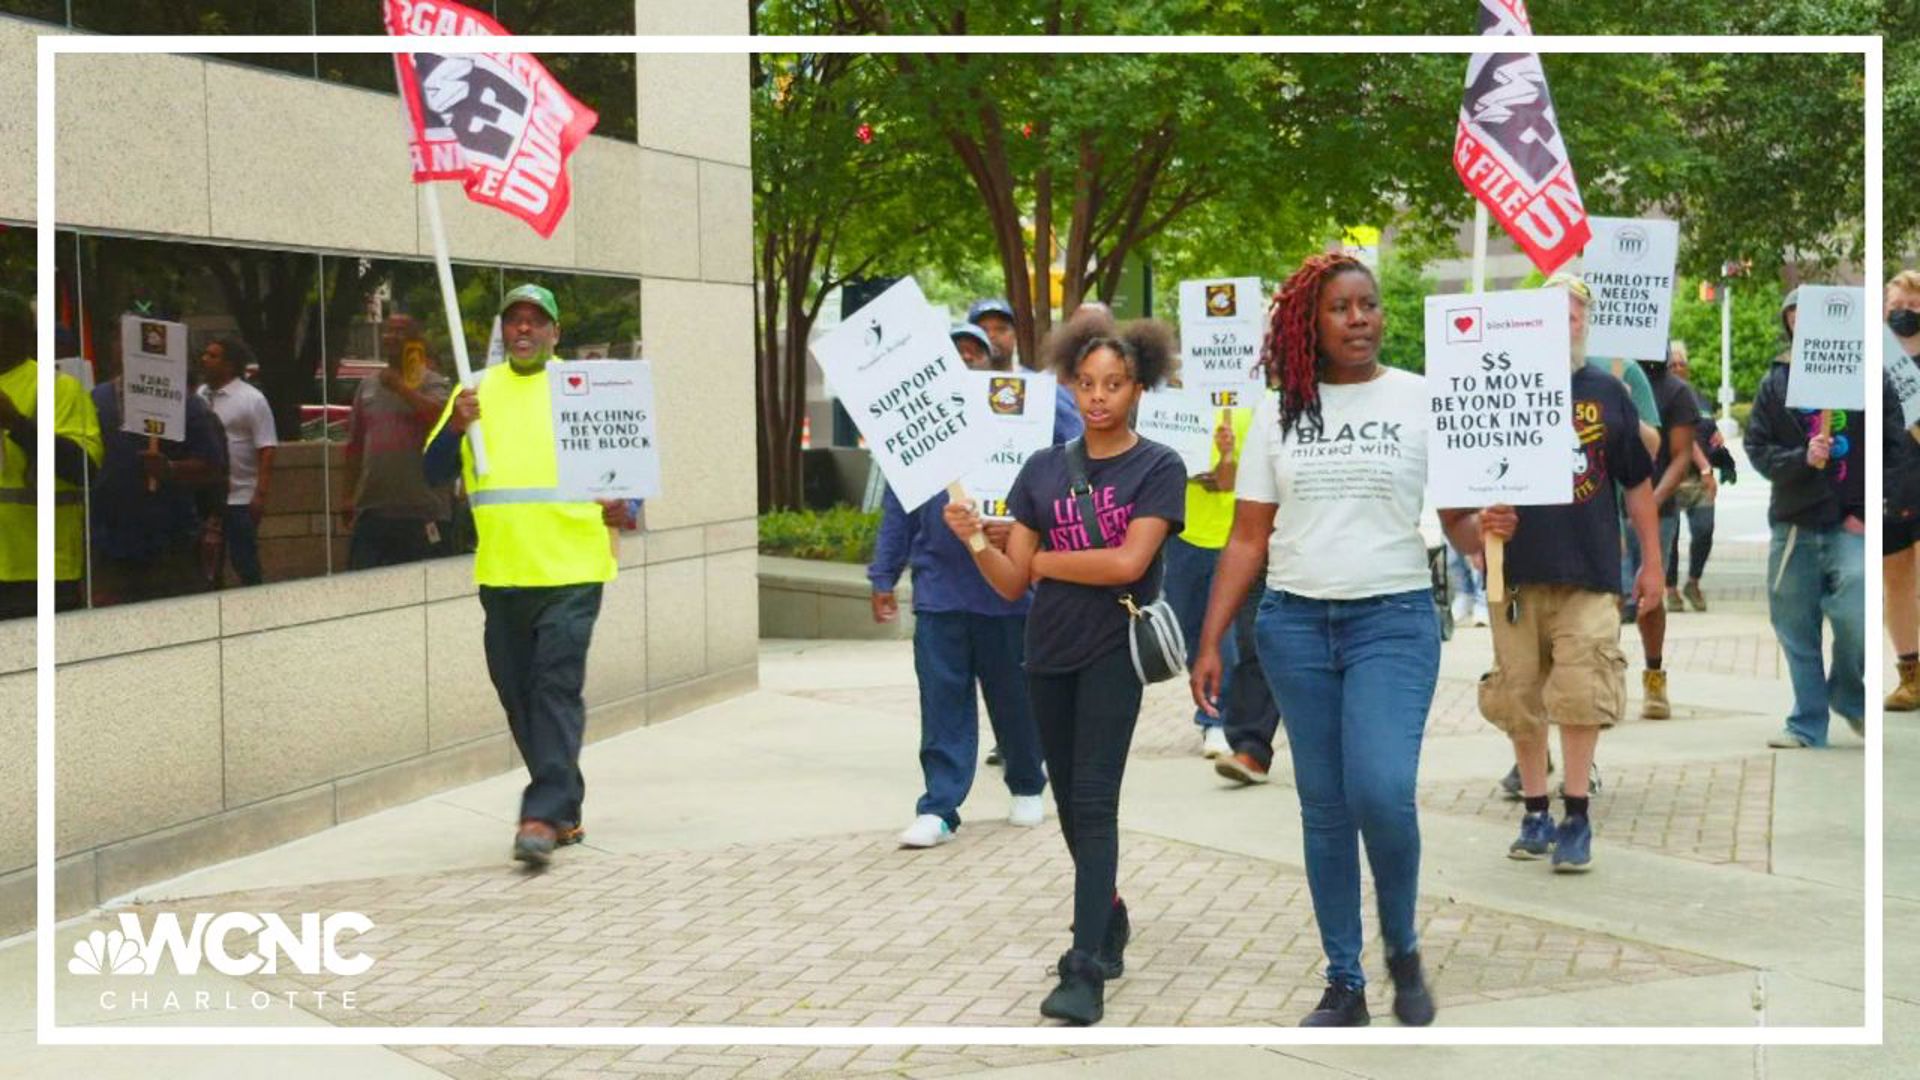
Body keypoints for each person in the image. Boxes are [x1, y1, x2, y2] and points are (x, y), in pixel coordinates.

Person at [1192, 252, 1459, 1027]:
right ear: (1309, 322)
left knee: (1380, 788)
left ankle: (1401, 945)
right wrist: (1213, 640)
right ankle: (1345, 981)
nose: (1360, 319)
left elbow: (1461, 522)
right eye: (1341, 308)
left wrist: (1488, 528)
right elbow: (1247, 538)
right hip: (1295, 625)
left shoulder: (1421, 398)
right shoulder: (1276, 413)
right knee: (1324, 806)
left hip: (1393, 621)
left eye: (1369, 306)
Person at [943, 307, 1185, 1027]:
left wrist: (1036, 555)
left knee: (1094, 799)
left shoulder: (1158, 466)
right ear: (1071, 386)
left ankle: (1083, 970)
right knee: (1072, 807)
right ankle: (1107, 913)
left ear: (1138, 387)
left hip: (1114, 652)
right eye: (1085, 383)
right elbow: (1012, 585)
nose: (1098, 396)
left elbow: (1126, 562)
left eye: (1114, 383)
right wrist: (977, 544)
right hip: (1044, 654)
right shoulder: (1042, 469)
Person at [423, 284, 639, 866]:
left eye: (536, 322)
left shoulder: (585, 388)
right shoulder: (475, 393)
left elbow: (626, 467)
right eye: (514, 321)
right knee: (519, 694)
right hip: (503, 573)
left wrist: (629, 507)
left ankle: (541, 815)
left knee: (553, 687)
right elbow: (432, 472)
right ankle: (564, 806)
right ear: (503, 332)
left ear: (555, 333)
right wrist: (451, 427)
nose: (524, 330)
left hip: (573, 567)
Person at [1477, 275, 1662, 881]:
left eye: (1576, 314)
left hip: (1588, 571)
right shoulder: (1497, 384)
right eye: (1554, 312)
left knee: (1582, 691)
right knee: (1520, 694)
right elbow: (1466, 475)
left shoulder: (1608, 391)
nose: (1567, 322)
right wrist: (1482, 518)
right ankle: (1534, 810)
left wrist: (1652, 562)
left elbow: (1635, 481)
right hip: (1516, 571)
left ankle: (1575, 814)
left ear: (1587, 323)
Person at [869, 325, 1048, 849]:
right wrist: (884, 574)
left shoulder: (1015, 424)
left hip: (1007, 594)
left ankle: (1027, 782)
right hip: (940, 593)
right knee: (943, 701)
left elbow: (1047, 499)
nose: (965, 361)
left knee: (1014, 697)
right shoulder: (917, 435)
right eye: (954, 354)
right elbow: (896, 512)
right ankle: (940, 807)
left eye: (975, 354)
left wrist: (1014, 529)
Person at [1745, 288, 1865, 748]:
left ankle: (1849, 696)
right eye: (1794, 313)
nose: (1801, 320)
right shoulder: (1774, 385)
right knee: (1795, 627)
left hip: (1849, 523)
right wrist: (1801, 458)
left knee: (1856, 618)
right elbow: (1756, 450)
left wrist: (1865, 512)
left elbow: (1886, 447)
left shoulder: (1863, 379)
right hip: (1794, 521)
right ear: (1788, 321)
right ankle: (1807, 723)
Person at [90, 355, 229, 607]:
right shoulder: (98, 399)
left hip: (170, 544)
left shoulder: (186, 404)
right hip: (109, 543)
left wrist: (171, 469)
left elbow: (213, 468)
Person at [1163, 404, 1252, 759]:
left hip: (1234, 535)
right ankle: (1215, 706)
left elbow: (1231, 480)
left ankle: (1217, 717)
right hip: (1181, 534)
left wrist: (1224, 461)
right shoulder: (1172, 406)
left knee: (1222, 633)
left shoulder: (1253, 408)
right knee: (1190, 632)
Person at [0, 316, 103, 620]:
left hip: (36, 570)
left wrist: (15, 423)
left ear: (21, 335)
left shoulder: (59, 388)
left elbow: (83, 468)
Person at [1620, 320, 1699, 719]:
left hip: (1656, 508)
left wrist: (1651, 499)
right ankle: (1604, 680)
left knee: (1650, 597)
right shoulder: (1604, 375)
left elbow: (1680, 455)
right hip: (1604, 507)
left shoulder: (1676, 391)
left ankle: (1654, 677)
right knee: (1606, 598)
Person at [344, 314, 454, 569]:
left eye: (400, 331)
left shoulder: (434, 383)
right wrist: (347, 495)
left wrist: (401, 388)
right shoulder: (367, 386)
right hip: (373, 511)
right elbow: (355, 445)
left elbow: (440, 420)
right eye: (387, 331)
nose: (391, 337)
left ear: (416, 340)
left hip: (424, 512)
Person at [196, 336, 277, 587]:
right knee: (207, 568)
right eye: (205, 354)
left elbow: (267, 447)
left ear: (229, 365)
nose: (205, 360)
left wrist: (260, 494)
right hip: (205, 496)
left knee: (244, 562)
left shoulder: (251, 399)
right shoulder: (199, 396)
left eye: (213, 356)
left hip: (239, 497)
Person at [1663, 340, 1729, 613]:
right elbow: (1684, 442)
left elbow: (1708, 432)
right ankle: (1670, 590)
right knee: (1672, 537)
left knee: (1704, 530)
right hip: (1673, 476)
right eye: (1673, 364)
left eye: (1682, 364)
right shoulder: (1666, 396)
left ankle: (1693, 582)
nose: (1678, 368)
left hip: (1700, 481)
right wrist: (1705, 469)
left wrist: (1721, 451)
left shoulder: (1698, 396)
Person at [1884, 271, 1920, 710]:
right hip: (1892, 485)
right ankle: (1910, 673)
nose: (1905, 313)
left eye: (1913, 306)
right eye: (1897, 306)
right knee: (1897, 581)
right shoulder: (1875, 357)